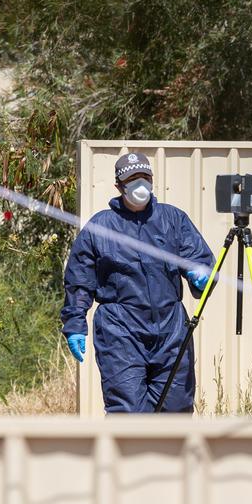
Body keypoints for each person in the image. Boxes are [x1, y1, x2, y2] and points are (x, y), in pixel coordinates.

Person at [60, 152, 214, 413]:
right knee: (129, 412)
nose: (140, 184)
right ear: (119, 186)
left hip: (171, 329)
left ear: (152, 180)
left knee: (176, 407)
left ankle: (173, 454)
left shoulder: (173, 219)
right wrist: (75, 323)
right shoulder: (101, 226)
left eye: (144, 177)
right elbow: (79, 280)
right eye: (132, 178)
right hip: (120, 331)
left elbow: (199, 259)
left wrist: (200, 274)